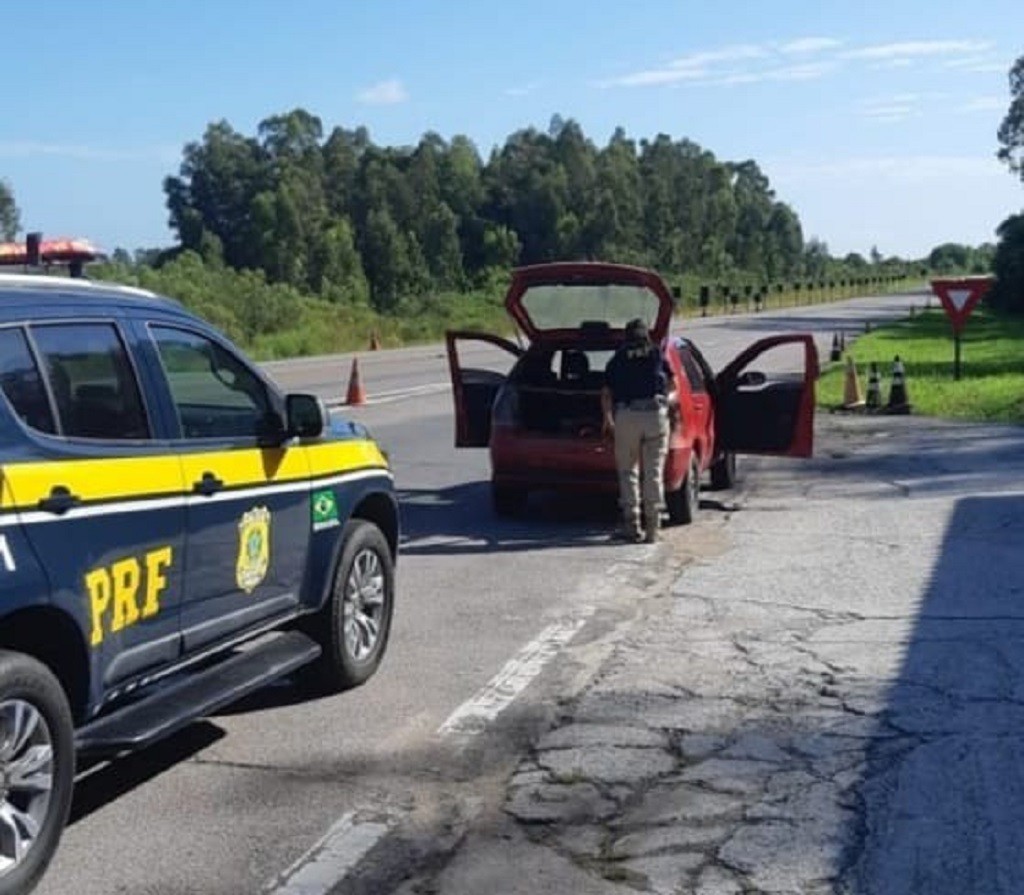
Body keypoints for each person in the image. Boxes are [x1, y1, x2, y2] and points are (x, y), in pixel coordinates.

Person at [601, 318, 676, 543]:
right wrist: (667, 405)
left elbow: (607, 393)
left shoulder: (618, 358)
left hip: (627, 416)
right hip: (655, 415)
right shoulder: (656, 354)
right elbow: (672, 386)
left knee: (628, 471)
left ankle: (631, 525)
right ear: (646, 335)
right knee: (653, 472)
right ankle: (653, 528)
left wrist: (608, 420)